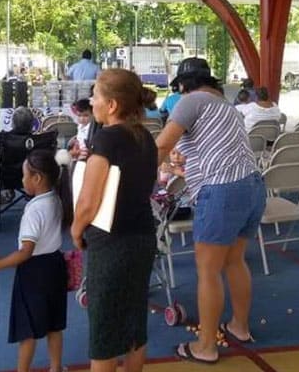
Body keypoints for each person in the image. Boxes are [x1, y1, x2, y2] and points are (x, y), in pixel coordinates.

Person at [155, 58, 265, 365]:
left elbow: (161, 146)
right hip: (252, 186)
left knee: (208, 270)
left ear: (183, 85)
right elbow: (207, 149)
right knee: (235, 260)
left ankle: (205, 346)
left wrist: (131, 180)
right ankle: (239, 326)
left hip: (222, 191)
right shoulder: (226, 106)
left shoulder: (191, 101)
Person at [71, 69, 157, 372]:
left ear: (111, 105)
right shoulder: (145, 137)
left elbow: (88, 201)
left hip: (112, 244)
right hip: (143, 237)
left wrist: (76, 229)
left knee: (104, 332)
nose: (91, 101)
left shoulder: (106, 139)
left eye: (95, 96)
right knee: (134, 322)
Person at [0, 150, 67, 372]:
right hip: (55, 266)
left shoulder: (34, 209)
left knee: (27, 328)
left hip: (33, 273)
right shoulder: (56, 199)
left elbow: (26, 252)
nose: (22, 180)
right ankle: (56, 367)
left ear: (37, 178)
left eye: (24, 175)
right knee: (54, 323)